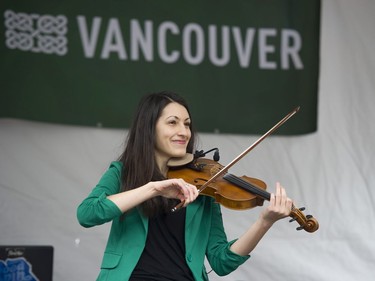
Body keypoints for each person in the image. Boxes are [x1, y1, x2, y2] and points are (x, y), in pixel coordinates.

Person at [77, 91, 293, 281]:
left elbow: (221, 262)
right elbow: (88, 214)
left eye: (187, 124)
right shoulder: (123, 173)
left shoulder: (204, 186)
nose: (184, 131)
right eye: (173, 122)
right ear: (149, 128)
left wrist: (265, 222)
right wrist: (153, 188)